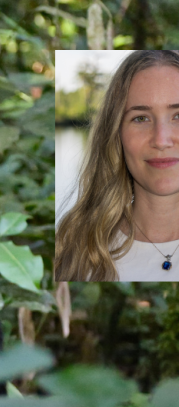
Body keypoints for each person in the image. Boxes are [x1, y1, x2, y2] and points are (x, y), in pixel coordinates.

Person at [56, 50, 179, 281]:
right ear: (116, 134)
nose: (161, 140)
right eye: (140, 118)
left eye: (178, 116)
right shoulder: (80, 252)